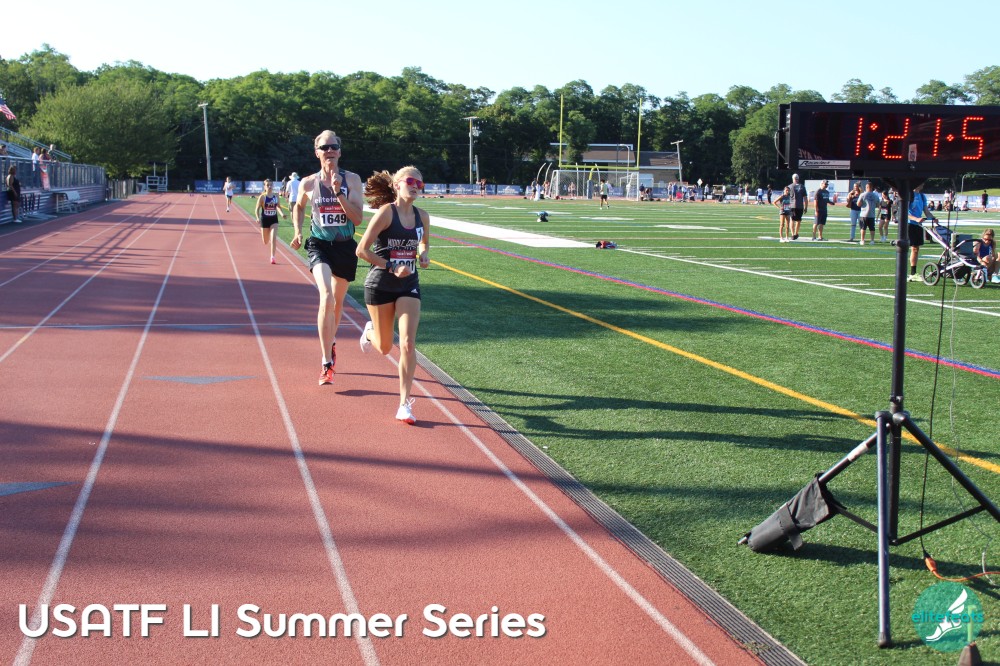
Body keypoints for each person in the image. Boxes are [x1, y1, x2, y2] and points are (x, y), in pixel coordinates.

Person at [290, 130, 365, 386]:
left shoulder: (352, 180)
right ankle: (326, 362)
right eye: (324, 147)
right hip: (319, 244)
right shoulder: (308, 183)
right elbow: (299, 207)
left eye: (334, 146)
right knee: (326, 296)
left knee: (337, 303)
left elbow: (357, 219)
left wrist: (338, 193)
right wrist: (298, 230)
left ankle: (331, 342)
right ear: (317, 152)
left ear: (340, 151)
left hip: (344, 246)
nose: (329, 150)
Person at [356, 166, 429, 424]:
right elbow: (361, 250)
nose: (415, 186)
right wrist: (391, 266)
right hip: (380, 284)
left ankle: (404, 404)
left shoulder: (422, 216)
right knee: (386, 346)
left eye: (420, 184)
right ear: (397, 185)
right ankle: (370, 332)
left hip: (409, 284)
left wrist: (423, 254)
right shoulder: (387, 213)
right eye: (410, 181)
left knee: (408, 343)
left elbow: (423, 242)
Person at [906, 183, 937, 282]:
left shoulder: (922, 196)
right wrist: (915, 218)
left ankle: (913, 273)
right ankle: (911, 273)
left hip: (918, 224)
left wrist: (933, 219)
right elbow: (904, 212)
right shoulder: (909, 195)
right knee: (910, 248)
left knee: (916, 249)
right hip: (909, 224)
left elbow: (926, 211)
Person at [254, 179, 286, 264]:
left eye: (271, 185)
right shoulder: (262, 197)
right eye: (267, 185)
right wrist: (257, 217)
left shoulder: (276, 196)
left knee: (273, 238)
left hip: (273, 219)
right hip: (264, 220)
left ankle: (272, 257)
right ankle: (267, 239)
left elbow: (278, 206)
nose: (269, 186)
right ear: (264, 186)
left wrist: (282, 214)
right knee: (265, 241)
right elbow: (257, 209)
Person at [788, 174, 808, 240]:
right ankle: (795, 233)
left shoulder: (790, 186)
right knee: (798, 220)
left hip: (792, 205)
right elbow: (805, 198)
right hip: (799, 206)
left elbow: (786, 196)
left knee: (792, 220)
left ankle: (793, 234)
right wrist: (806, 207)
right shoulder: (802, 186)